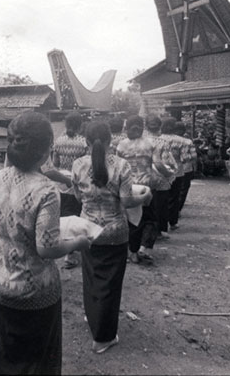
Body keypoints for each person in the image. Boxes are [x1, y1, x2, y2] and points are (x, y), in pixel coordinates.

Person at [0, 112, 91, 375]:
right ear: (46, 151)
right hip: (36, 291)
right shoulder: (46, 190)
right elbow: (46, 248)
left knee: (1, 357)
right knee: (37, 362)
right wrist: (78, 242)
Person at [72, 121, 151, 354]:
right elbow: (127, 200)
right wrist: (145, 197)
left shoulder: (77, 164)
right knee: (110, 284)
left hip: (87, 229)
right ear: (110, 141)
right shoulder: (121, 166)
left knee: (91, 277)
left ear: (86, 141)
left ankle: (93, 318)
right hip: (115, 232)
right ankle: (103, 337)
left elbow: (78, 197)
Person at [116, 115, 157, 264]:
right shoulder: (151, 144)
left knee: (131, 220)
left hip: (127, 187)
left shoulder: (121, 145)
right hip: (146, 187)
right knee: (149, 219)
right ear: (143, 126)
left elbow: (118, 167)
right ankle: (143, 249)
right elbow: (157, 165)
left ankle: (130, 251)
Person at [52, 111, 89, 269]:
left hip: (61, 182)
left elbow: (55, 163)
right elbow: (86, 164)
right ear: (80, 125)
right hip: (78, 182)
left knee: (64, 215)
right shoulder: (84, 142)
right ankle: (70, 254)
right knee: (75, 214)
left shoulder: (58, 141)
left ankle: (66, 247)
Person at [175, 121, 196, 212]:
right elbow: (194, 156)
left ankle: (171, 210)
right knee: (183, 191)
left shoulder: (167, 140)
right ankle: (178, 209)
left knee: (173, 190)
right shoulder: (188, 142)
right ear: (184, 131)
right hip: (186, 169)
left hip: (172, 169)